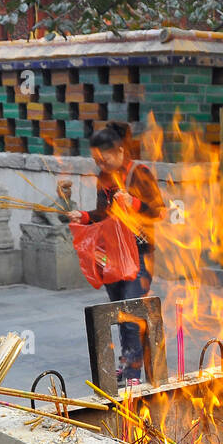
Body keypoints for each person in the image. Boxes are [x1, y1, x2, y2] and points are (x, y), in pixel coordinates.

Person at [67, 123, 164, 384]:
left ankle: (134, 373)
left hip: (140, 254)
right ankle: (127, 362)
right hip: (113, 253)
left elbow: (159, 211)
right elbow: (104, 215)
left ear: (120, 151)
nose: (101, 162)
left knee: (131, 311)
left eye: (104, 157)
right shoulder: (104, 177)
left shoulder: (139, 173)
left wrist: (133, 203)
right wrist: (85, 216)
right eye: (97, 158)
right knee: (118, 313)